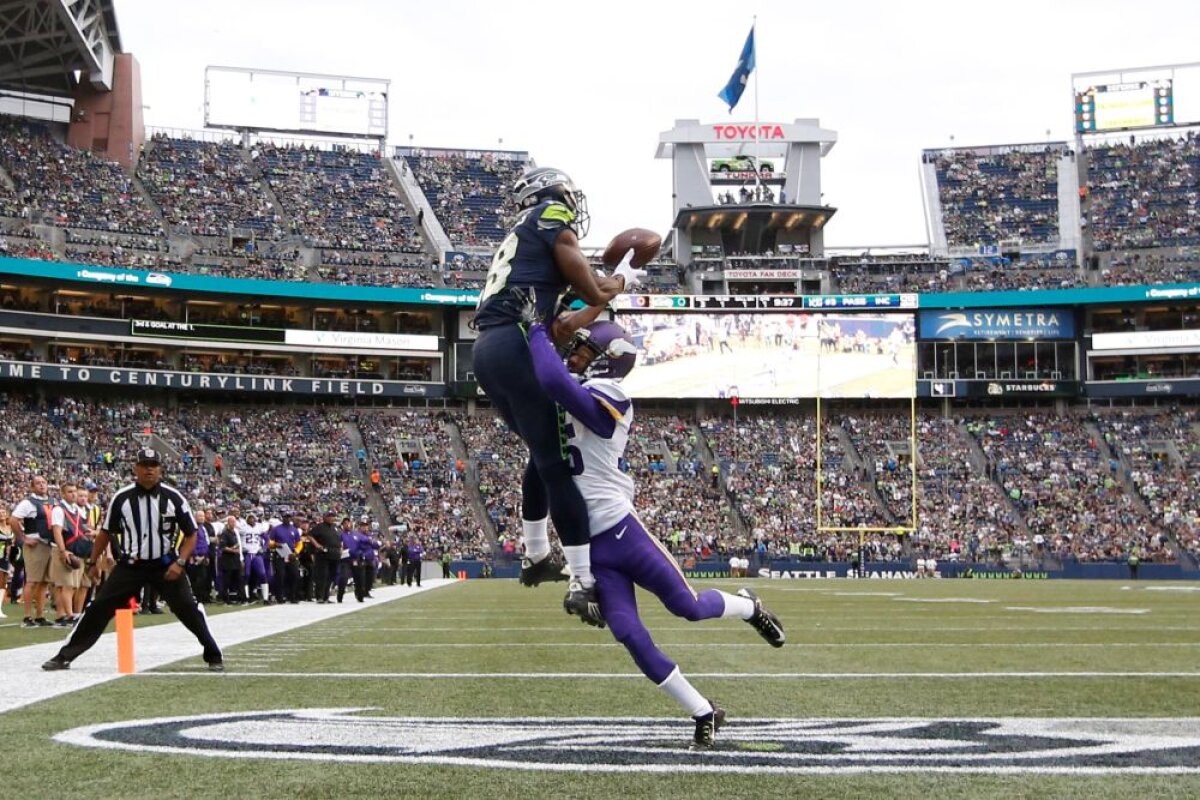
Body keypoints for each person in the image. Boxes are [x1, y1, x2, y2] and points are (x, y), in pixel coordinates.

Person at [525, 317, 786, 749]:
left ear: (610, 363)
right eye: (575, 348)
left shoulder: (612, 396)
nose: (575, 355)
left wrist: (535, 330)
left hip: (622, 532)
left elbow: (554, 380)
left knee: (688, 606)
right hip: (586, 548)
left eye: (586, 350)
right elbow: (535, 470)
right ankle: (703, 710)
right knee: (630, 636)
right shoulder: (562, 400)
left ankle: (747, 606)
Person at [470, 166, 645, 619]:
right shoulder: (549, 217)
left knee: (542, 451)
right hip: (514, 343)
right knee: (558, 463)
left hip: (489, 350)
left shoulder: (524, 246)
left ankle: (535, 554)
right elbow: (593, 290)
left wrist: (607, 287)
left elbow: (567, 321)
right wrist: (623, 279)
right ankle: (583, 580)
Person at [42, 448, 223, 672]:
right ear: (135, 468)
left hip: (166, 564)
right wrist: (92, 562)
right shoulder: (122, 497)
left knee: (188, 608)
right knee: (98, 608)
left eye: (153, 465)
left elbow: (191, 533)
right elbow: (106, 532)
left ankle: (213, 653)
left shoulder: (174, 497)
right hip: (131, 565)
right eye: (145, 465)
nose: (149, 469)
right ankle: (64, 656)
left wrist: (181, 562)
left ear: (160, 469)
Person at [11, 474, 56, 628]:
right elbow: (13, 519)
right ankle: (27, 616)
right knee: (32, 581)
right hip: (35, 544)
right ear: (32, 486)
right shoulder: (27, 503)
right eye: (38, 483)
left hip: (49, 544)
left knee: (44, 582)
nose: (42, 485)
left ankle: (40, 615)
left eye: (44, 482)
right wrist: (23, 538)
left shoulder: (52, 501)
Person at [306, 510, 341, 603]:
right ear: (324, 517)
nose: (331, 518)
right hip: (323, 554)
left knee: (331, 576)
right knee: (322, 576)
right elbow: (309, 535)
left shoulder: (335, 527)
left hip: (335, 554)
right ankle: (319, 597)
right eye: (329, 516)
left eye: (333, 516)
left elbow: (339, 540)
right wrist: (317, 545)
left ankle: (326, 596)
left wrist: (340, 549)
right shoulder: (320, 527)